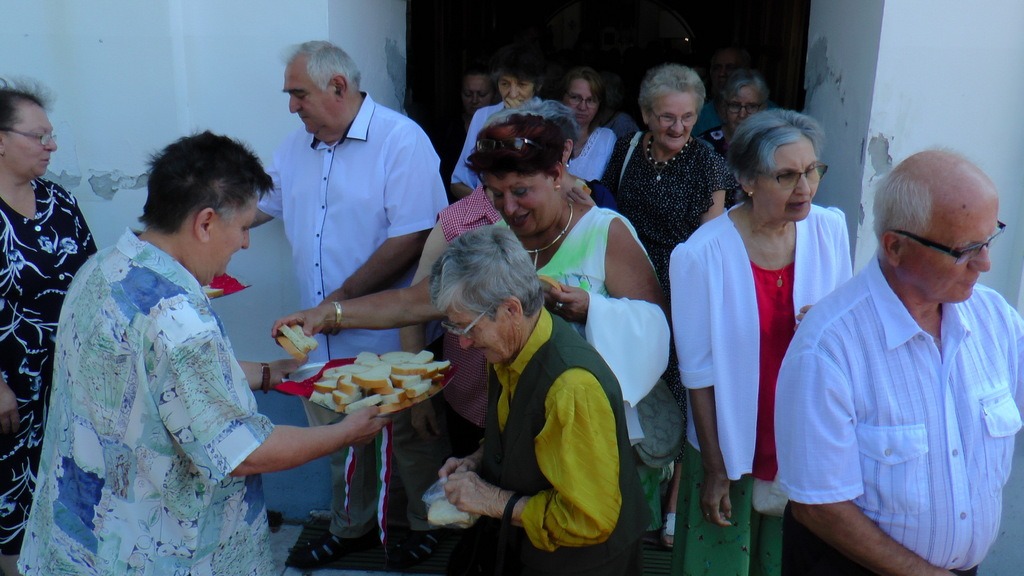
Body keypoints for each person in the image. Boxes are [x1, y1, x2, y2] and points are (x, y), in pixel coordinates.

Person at [17, 131, 387, 575]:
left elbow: (153, 379)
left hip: (79, 541)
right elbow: (242, 452)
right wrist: (347, 432)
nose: (246, 243)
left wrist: (269, 373)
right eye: (244, 227)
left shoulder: (103, 268)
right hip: (157, 554)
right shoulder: (178, 317)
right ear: (206, 223)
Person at [776, 149, 1020, 576]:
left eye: (990, 239)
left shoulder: (995, 318)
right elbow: (819, 507)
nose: (985, 264)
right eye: (966, 250)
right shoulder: (829, 347)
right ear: (895, 247)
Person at [253, 40, 448, 569]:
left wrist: (338, 303)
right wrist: (189, 228)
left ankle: (424, 527)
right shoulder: (295, 147)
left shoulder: (400, 140)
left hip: (389, 330)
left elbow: (413, 236)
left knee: (409, 439)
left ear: (338, 87)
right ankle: (350, 527)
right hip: (319, 337)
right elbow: (261, 204)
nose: (291, 106)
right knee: (340, 442)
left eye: (299, 94)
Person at [669, 109, 852, 575]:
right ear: (748, 181)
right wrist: (715, 469)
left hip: (803, 442)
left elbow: (847, 335)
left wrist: (827, 324)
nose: (805, 188)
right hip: (731, 442)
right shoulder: (701, 255)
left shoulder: (829, 230)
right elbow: (698, 375)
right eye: (786, 176)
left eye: (812, 171)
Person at [433, 226, 649, 575]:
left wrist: (490, 499)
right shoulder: (509, 344)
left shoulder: (571, 387)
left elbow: (589, 519)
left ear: (511, 309)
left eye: (468, 327)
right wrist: (478, 461)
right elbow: (523, 433)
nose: (463, 343)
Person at [601, 63, 736, 546]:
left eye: (688, 117)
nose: (678, 127)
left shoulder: (708, 164)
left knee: (681, 387)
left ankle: (674, 505)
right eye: (666, 117)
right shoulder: (626, 150)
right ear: (645, 114)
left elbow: (711, 242)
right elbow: (606, 212)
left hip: (682, 287)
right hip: (625, 280)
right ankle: (622, 498)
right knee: (628, 384)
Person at [0, 81, 96, 576]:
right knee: (10, 507)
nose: (51, 146)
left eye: (51, 135)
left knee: (61, 500)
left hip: (65, 385)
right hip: (8, 395)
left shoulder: (59, 201)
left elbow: (92, 280)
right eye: (38, 136)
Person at [450, 42, 546, 199]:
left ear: (538, 85)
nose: (512, 93)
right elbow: (457, 183)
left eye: (522, 84)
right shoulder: (483, 116)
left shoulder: (549, 121)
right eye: (505, 84)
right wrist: (489, 202)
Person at [432, 64, 498, 203]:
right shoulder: (445, 129)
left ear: (495, 94)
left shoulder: (500, 129)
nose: (474, 100)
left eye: (482, 94)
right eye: (468, 94)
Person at [697, 68, 770, 159]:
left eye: (751, 106)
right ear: (724, 108)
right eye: (735, 105)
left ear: (763, 109)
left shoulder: (772, 146)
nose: (742, 114)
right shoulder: (703, 147)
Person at [559, 66, 616, 181]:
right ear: (562, 97)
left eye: (590, 100)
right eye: (575, 98)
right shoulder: (544, 133)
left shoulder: (607, 139)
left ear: (599, 105)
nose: (582, 107)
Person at [692, 46, 751, 136]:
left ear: (745, 71)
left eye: (730, 67)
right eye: (717, 68)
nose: (722, 73)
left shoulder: (767, 112)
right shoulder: (698, 117)